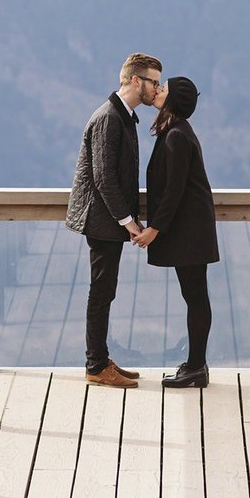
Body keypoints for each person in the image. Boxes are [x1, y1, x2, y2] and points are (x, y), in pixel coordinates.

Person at [65, 53, 163, 388]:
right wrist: (129, 222)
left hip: (106, 220)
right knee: (101, 291)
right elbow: (104, 177)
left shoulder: (122, 116)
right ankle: (95, 365)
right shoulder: (109, 118)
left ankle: (101, 360)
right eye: (153, 82)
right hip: (102, 221)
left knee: (105, 290)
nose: (157, 89)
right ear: (136, 81)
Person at [134, 77, 219, 388]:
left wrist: (154, 229)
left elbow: (174, 190)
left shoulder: (176, 136)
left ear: (173, 100)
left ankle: (196, 367)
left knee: (195, 297)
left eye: (164, 88)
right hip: (191, 229)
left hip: (190, 231)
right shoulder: (177, 131)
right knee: (195, 296)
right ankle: (196, 364)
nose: (157, 90)